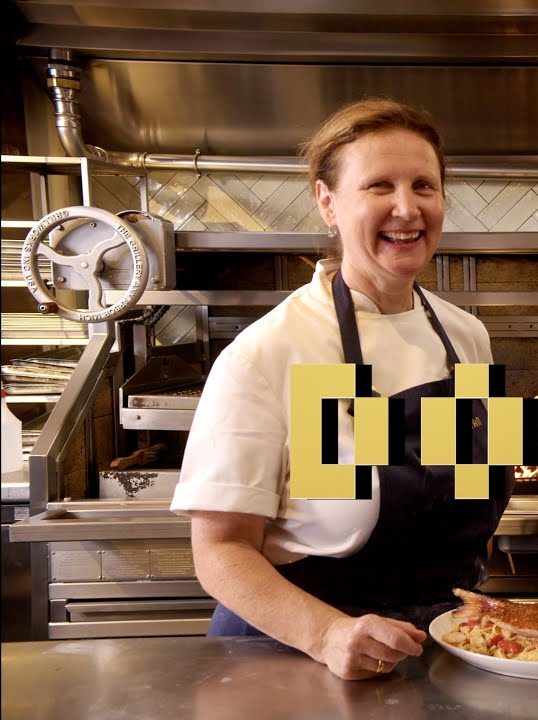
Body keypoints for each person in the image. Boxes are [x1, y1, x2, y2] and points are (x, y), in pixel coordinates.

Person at [171, 98, 512, 679]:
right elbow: (220, 551)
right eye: (379, 185)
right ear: (328, 202)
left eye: (424, 186)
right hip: (295, 655)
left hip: (435, 644)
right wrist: (326, 634)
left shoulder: (467, 337)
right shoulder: (269, 351)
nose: (407, 209)